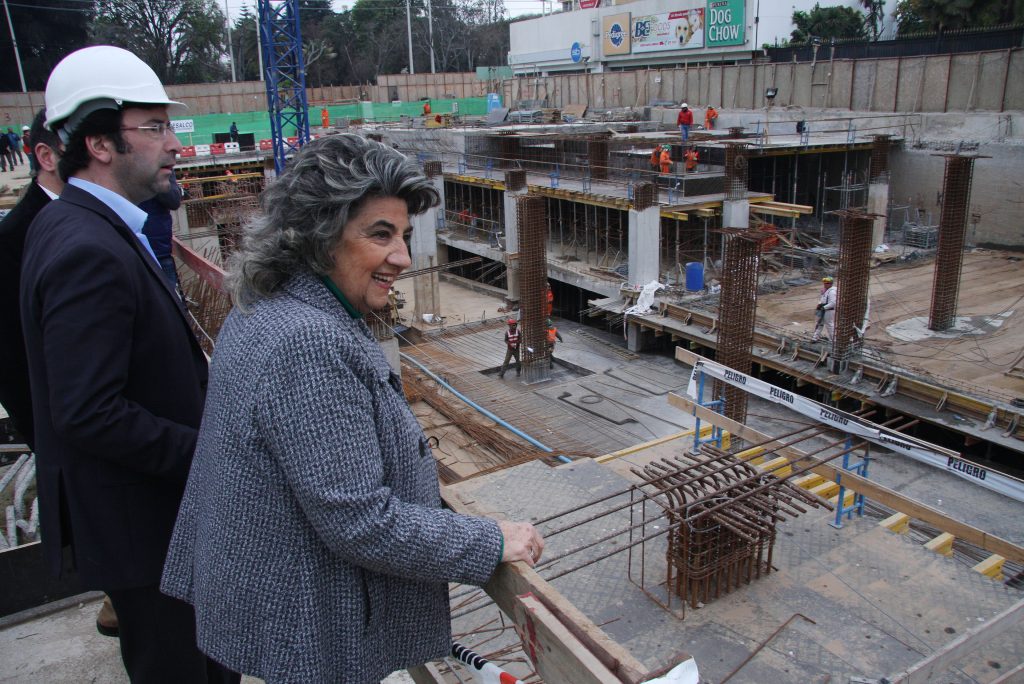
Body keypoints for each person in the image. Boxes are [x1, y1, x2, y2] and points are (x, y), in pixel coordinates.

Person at [160, 134, 544, 683]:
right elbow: (360, 521)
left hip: (275, 592)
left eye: (405, 235)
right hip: (309, 620)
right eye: (379, 234)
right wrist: (489, 540)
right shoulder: (308, 341)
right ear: (320, 238)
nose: (403, 258)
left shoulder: (268, 304)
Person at [20, 46, 236, 683]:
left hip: (151, 526)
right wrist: (212, 452)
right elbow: (89, 411)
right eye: (154, 127)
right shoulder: (87, 247)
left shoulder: (82, 225)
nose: (174, 143)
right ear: (100, 142)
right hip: (147, 534)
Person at [140, 173, 184, 290]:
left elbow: (173, 200)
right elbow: (173, 200)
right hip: (157, 250)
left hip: (154, 250)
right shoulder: (157, 167)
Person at [812, 276, 837, 342]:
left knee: (829, 325)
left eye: (827, 283)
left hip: (829, 310)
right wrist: (819, 305)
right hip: (823, 310)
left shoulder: (832, 292)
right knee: (819, 323)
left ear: (830, 284)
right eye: (824, 283)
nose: (825, 284)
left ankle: (834, 341)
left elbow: (833, 303)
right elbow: (822, 299)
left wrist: (824, 307)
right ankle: (815, 338)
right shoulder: (826, 290)